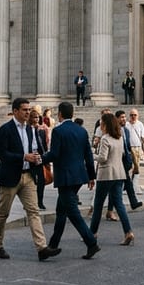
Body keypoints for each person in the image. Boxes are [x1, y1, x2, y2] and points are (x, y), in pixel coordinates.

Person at [0, 97, 58, 261]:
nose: (28, 112)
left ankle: (42, 247)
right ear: (15, 111)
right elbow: (2, 154)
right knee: (3, 213)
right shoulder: (5, 129)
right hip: (10, 177)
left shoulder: (30, 129)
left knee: (33, 211)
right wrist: (23, 157)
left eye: (29, 110)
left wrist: (37, 158)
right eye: (25, 110)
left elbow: (33, 149)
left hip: (28, 176)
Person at [42, 102, 100, 259]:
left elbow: (54, 154)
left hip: (65, 177)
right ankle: (53, 244)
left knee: (72, 212)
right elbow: (88, 155)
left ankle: (91, 243)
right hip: (79, 176)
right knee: (62, 210)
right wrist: (91, 176)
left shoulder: (58, 131)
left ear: (60, 114)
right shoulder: (81, 131)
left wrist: (40, 158)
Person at [89, 111, 136, 246]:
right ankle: (128, 232)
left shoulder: (105, 138)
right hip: (119, 173)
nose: (100, 125)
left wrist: (93, 155)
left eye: (101, 123)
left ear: (105, 124)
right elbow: (120, 153)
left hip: (106, 174)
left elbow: (103, 158)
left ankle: (92, 233)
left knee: (98, 205)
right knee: (119, 204)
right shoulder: (119, 137)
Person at [32, 108, 51, 209]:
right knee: (32, 181)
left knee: (41, 180)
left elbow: (43, 147)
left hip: (39, 159)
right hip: (30, 159)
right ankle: (31, 200)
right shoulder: (27, 130)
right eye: (34, 118)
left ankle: (40, 201)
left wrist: (45, 159)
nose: (36, 120)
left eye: (37, 118)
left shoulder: (41, 132)